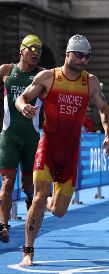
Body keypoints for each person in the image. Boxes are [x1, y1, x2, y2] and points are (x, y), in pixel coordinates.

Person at [15, 34, 109, 266]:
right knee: (39, 199)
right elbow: (22, 97)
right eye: (79, 55)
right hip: (47, 146)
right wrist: (24, 108)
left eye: (87, 57)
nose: (83, 60)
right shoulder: (48, 77)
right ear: (68, 54)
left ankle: (46, 199)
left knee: (59, 211)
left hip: (69, 153)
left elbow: (103, 109)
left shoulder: (90, 82)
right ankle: (28, 250)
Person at [0, 34, 43, 243]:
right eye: (32, 49)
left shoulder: (43, 76)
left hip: (32, 138)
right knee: (7, 183)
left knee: (28, 186)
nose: (36, 53)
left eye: (39, 50)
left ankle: (29, 217)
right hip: (9, 135)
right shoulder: (6, 71)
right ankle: (3, 227)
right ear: (21, 51)